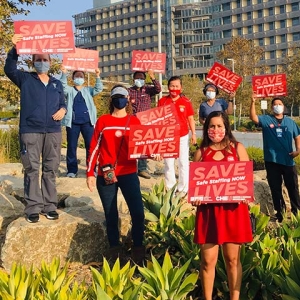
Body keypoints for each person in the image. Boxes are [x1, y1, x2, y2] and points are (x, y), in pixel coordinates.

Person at [4, 34, 67, 223]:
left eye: (45, 60)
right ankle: (33, 207)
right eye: (38, 60)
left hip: (53, 132)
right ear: (33, 62)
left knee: (50, 169)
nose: (42, 62)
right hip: (30, 130)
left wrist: (63, 109)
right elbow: (9, 68)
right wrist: (14, 49)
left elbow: (62, 102)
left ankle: (49, 206)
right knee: (31, 168)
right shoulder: (25, 79)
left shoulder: (56, 83)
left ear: (50, 62)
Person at [193, 111, 253, 300]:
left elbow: (246, 180)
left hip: (233, 211)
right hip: (209, 212)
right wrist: (196, 197)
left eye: (219, 126)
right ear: (206, 128)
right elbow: (196, 185)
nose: (215, 129)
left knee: (232, 259)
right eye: (212, 126)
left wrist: (245, 194)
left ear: (226, 127)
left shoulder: (237, 148)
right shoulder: (200, 153)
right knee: (207, 261)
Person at [86, 85, 146, 264]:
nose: (120, 99)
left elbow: (143, 147)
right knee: (111, 215)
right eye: (116, 96)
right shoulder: (103, 121)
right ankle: (115, 255)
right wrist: (90, 173)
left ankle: (138, 253)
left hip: (129, 173)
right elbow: (94, 147)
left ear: (128, 99)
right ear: (111, 100)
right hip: (106, 174)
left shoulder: (135, 121)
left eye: (123, 96)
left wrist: (153, 151)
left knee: (138, 214)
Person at [250, 96, 300, 222]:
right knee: (275, 189)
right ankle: (280, 214)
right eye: (275, 104)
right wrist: (253, 102)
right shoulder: (267, 120)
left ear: (284, 106)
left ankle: (296, 213)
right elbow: (254, 118)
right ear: (272, 107)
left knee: (293, 188)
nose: (278, 106)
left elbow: (297, 135)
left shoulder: (290, 122)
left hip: (288, 160)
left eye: (280, 103)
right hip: (272, 161)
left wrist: (298, 150)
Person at [60, 65, 103, 178]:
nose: (79, 77)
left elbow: (99, 89)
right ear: (73, 78)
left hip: (87, 123)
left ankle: (91, 169)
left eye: (81, 76)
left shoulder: (88, 90)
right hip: (72, 123)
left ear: (84, 79)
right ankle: (72, 170)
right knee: (72, 146)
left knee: (90, 146)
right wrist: (64, 73)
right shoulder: (69, 90)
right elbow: (62, 86)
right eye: (77, 76)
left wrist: (97, 76)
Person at [158, 76, 197, 197]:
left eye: (176, 86)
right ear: (168, 87)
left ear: (181, 87)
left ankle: (183, 189)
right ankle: (171, 189)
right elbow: (159, 120)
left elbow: (190, 118)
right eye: (171, 86)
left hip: (183, 136)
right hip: (168, 137)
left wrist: (193, 134)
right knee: (169, 164)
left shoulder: (186, 102)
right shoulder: (162, 101)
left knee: (183, 163)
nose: (174, 88)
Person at [128, 70, 161, 179]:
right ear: (133, 79)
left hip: (145, 121)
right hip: (132, 120)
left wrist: (153, 77)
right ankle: (130, 168)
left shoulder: (148, 90)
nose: (139, 80)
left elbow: (158, 89)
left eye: (142, 78)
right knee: (131, 145)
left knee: (142, 145)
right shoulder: (129, 91)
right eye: (137, 78)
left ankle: (142, 169)